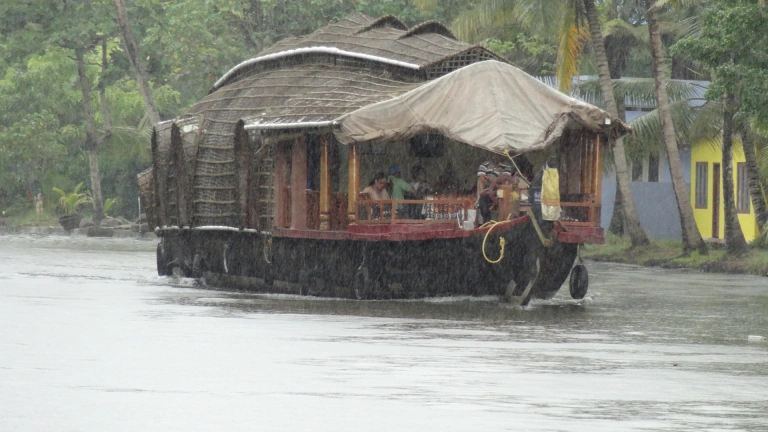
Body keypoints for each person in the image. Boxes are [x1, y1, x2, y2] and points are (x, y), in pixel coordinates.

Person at [476, 153, 514, 223]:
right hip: (487, 191)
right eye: (494, 154)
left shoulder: (506, 166)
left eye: (498, 154)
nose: (496, 156)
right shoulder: (484, 165)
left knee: (505, 200)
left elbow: (504, 180)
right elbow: (481, 178)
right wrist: (481, 190)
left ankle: (503, 221)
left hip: (501, 192)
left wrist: (491, 180)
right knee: (483, 200)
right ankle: (487, 222)